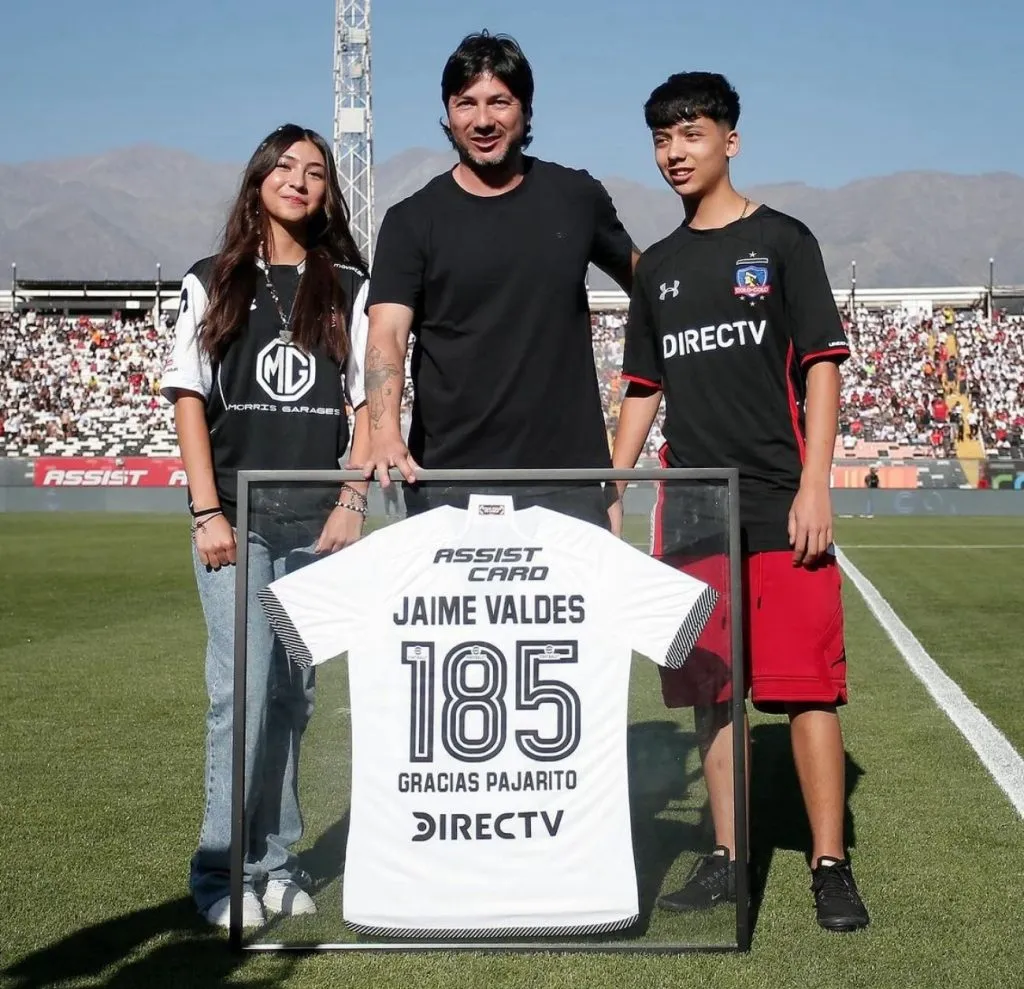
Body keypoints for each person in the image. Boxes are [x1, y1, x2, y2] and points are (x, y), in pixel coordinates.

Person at [611, 72, 870, 932]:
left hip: (776, 500)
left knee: (807, 691)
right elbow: (644, 389)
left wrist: (814, 483)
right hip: (689, 512)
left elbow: (821, 367)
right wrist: (615, 483)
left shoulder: (785, 242)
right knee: (709, 694)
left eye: (689, 134)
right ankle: (728, 856)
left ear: (731, 139)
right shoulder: (661, 268)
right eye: (661, 139)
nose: (673, 153)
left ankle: (830, 864)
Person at [160, 123, 370, 929]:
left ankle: (274, 860)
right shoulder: (210, 278)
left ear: (327, 194)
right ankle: (220, 874)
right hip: (236, 522)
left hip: (319, 526)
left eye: (316, 172)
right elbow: (188, 397)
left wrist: (352, 502)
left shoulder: (347, 284)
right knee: (239, 695)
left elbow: (366, 406)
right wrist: (207, 511)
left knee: (293, 697)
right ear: (257, 181)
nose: (301, 180)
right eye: (285, 166)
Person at [362, 31, 637, 525]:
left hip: (567, 480)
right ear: (448, 113)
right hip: (445, 478)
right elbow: (387, 331)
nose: (482, 119)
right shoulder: (410, 220)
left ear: (526, 110)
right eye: (465, 102)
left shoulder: (577, 197)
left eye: (499, 102)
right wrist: (384, 431)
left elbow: (652, 286)